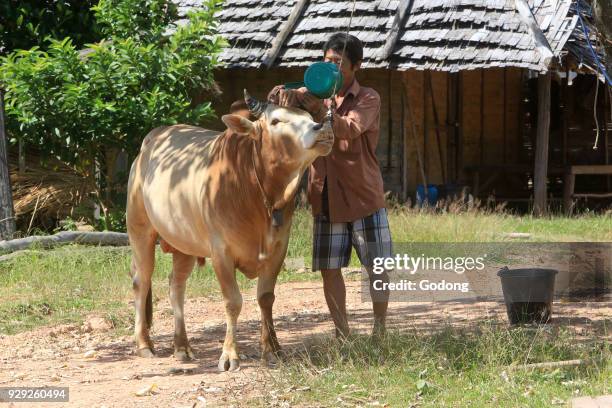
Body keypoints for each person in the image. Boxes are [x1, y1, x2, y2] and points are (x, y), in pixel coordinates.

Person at [268, 33, 392, 338]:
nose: (331, 68)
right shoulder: (314, 95)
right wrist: (281, 96)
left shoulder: (368, 98)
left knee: (376, 266)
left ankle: (380, 327)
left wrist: (322, 111)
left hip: (363, 196)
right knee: (330, 268)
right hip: (324, 196)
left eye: (338, 63)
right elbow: (282, 108)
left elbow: (350, 128)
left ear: (356, 66)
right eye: (327, 61)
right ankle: (342, 332)